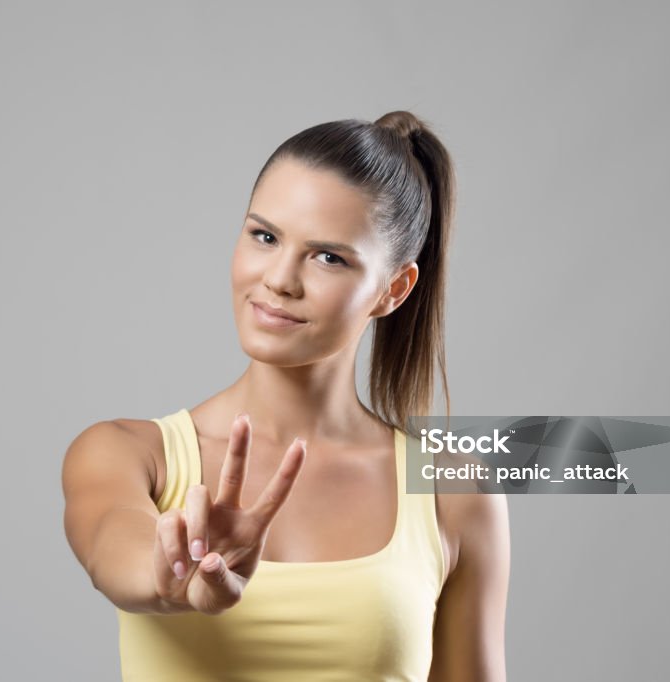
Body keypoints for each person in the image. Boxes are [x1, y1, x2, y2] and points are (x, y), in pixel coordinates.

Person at [61, 111, 511, 681]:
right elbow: (110, 548)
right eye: (264, 236)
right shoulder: (127, 452)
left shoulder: (455, 492)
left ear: (392, 291)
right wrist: (169, 573)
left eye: (329, 257)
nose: (279, 278)